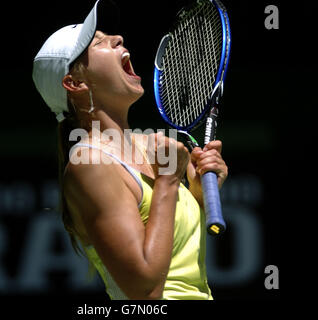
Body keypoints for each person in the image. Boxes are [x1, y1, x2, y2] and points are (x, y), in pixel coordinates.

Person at [32, 0, 228, 300]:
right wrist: (168, 182)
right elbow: (144, 292)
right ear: (75, 83)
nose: (118, 38)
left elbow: (177, 258)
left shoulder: (150, 147)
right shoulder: (91, 164)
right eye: (98, 43)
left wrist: (199, 195)